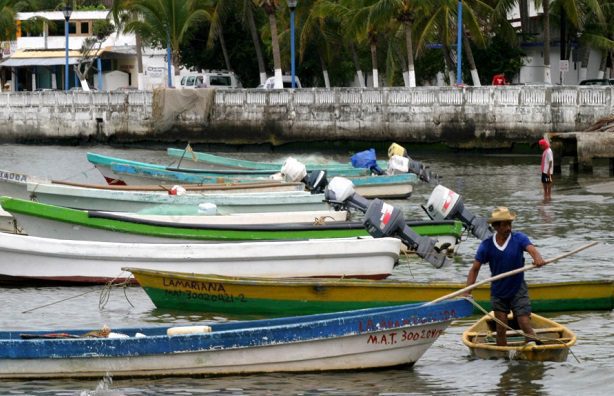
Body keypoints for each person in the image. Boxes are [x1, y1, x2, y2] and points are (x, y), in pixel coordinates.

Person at [465, 207, 546, 346]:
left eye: (510, 224)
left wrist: (538, 258)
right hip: (499, 291)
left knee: (524, 322)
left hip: (518, 288)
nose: (508, 227)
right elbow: (474, 269)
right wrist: (467, 291)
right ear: (496, 226)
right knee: (501, 326)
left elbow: (532, 250)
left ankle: (535, 347)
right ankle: (502, 356)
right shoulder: (487, 245)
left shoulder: (519, 238)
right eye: (504, 224)